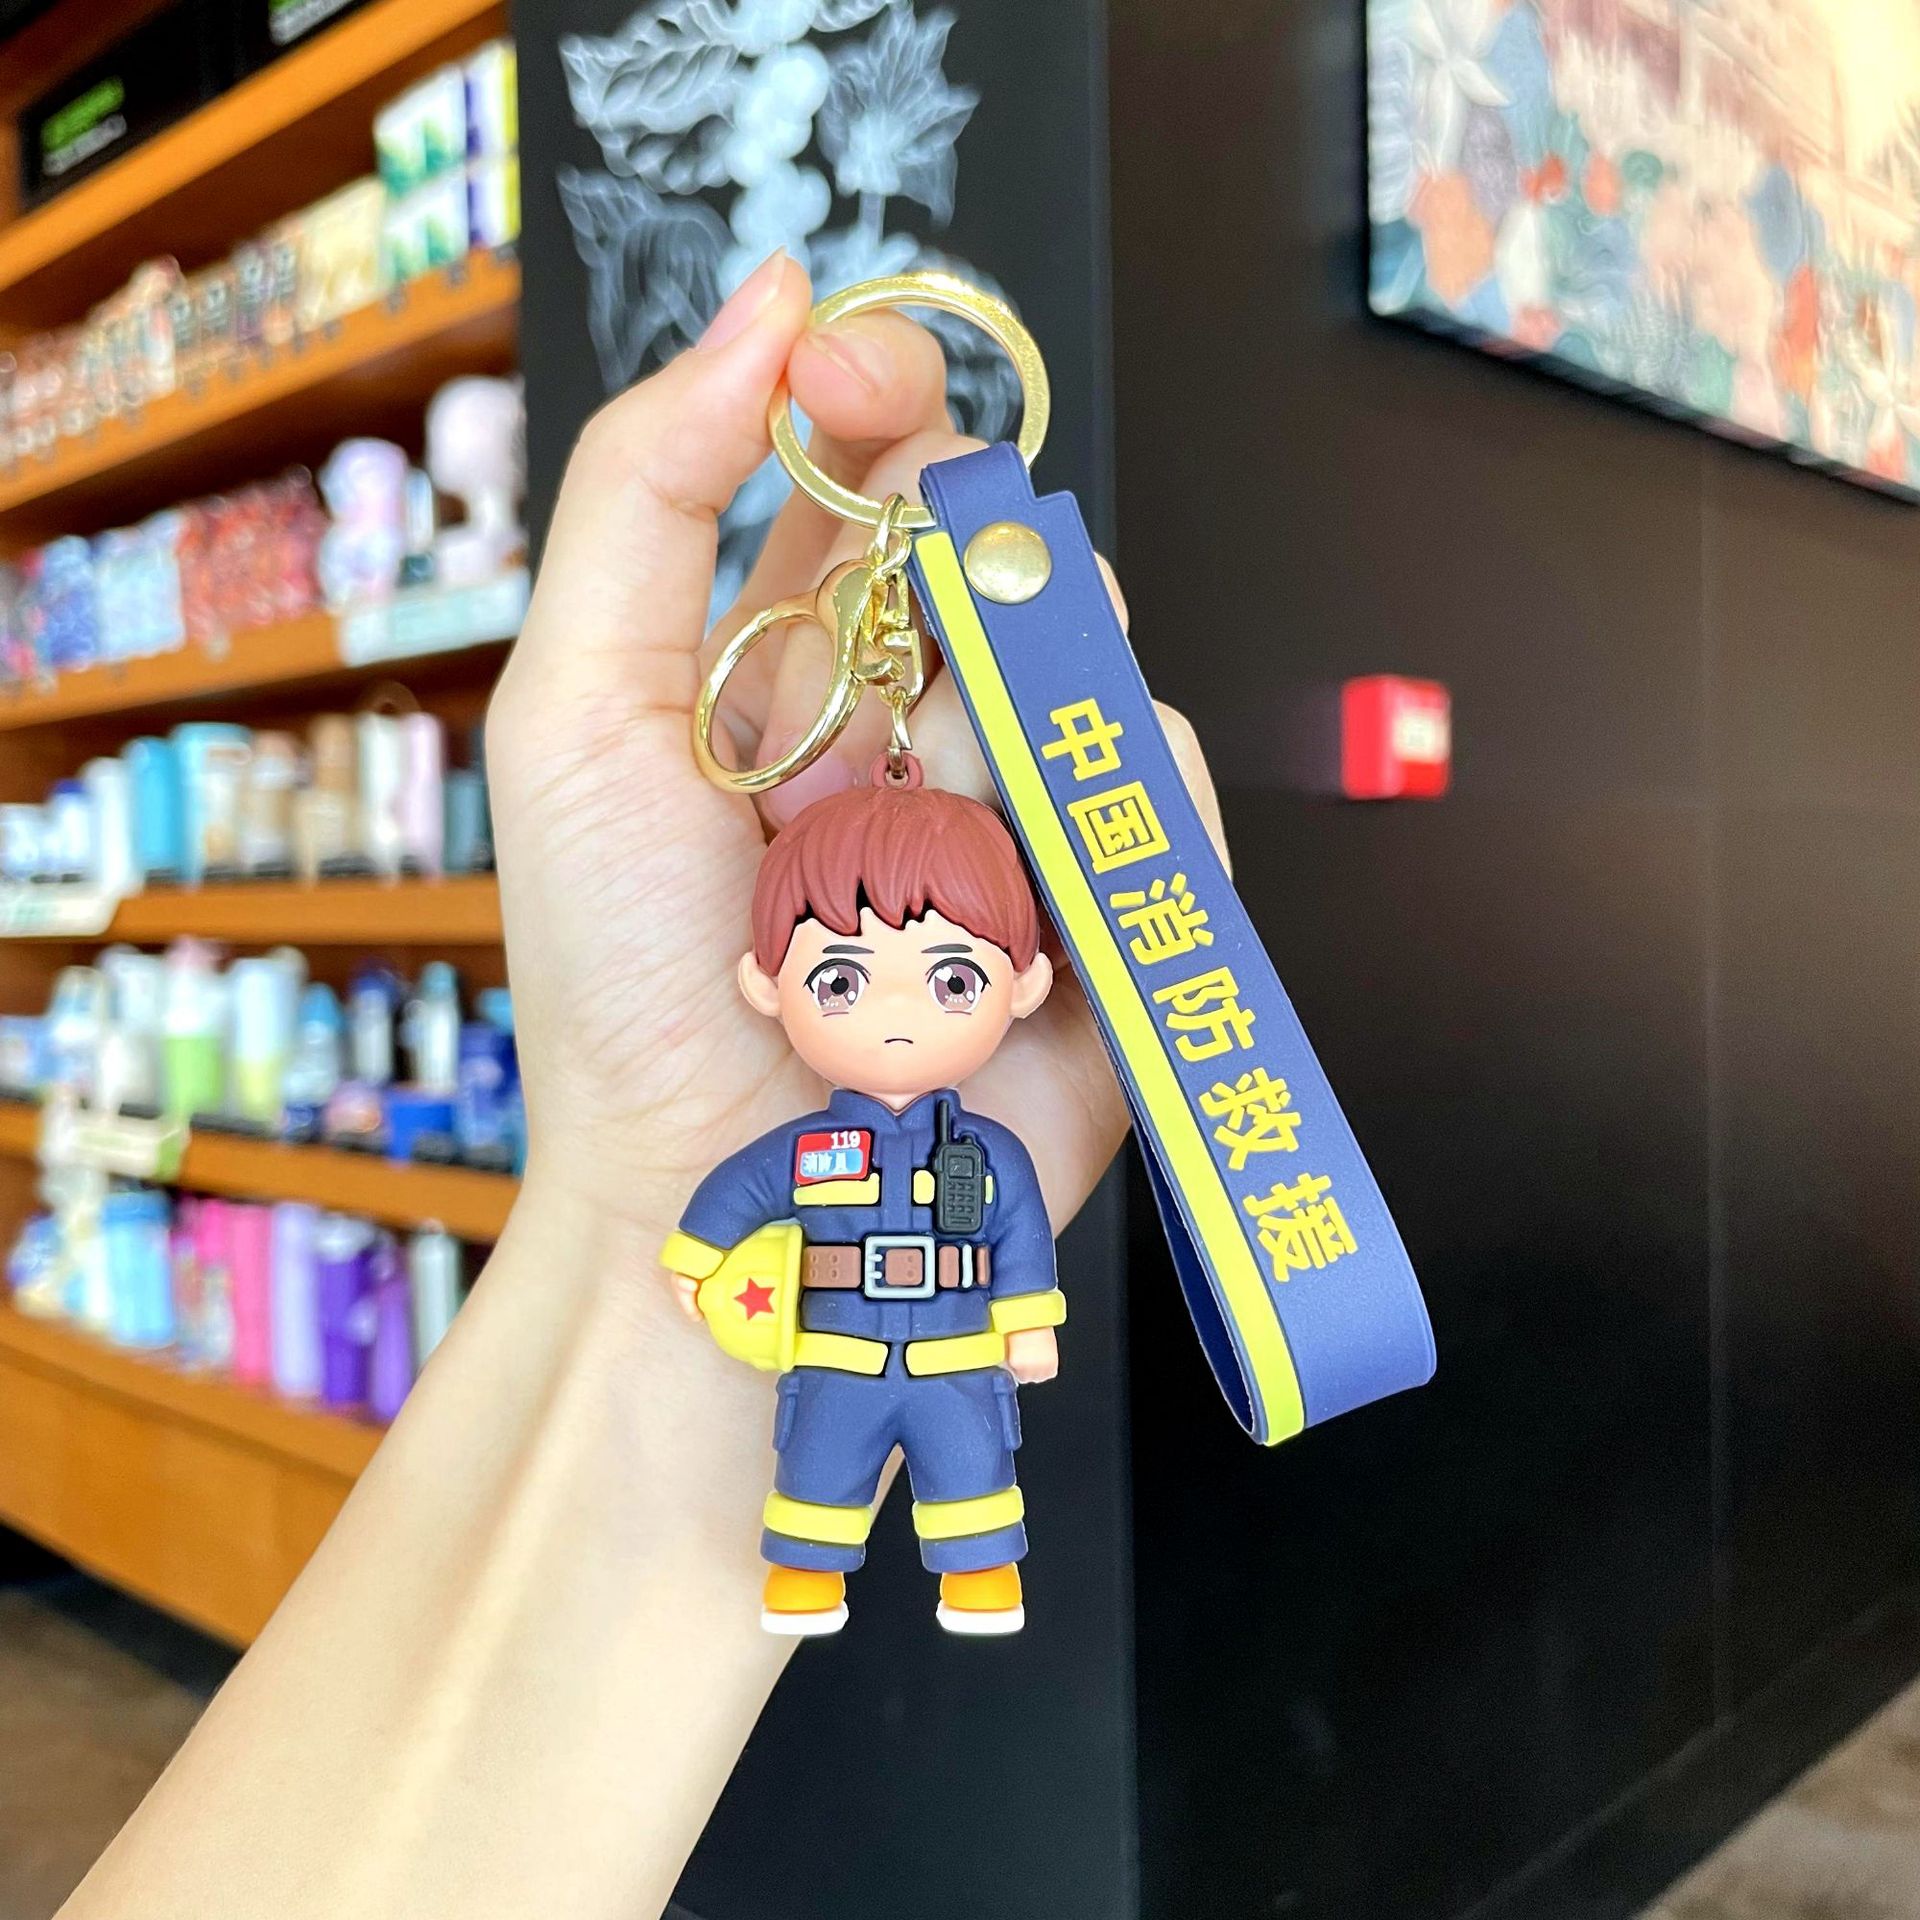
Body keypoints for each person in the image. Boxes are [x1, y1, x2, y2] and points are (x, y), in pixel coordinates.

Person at [58, 251, 1223, 1920]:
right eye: (844, 978)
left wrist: (1017, 1311)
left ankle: (975, 1564)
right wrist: (663, 1251)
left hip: (951, 1345)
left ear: (1026, 986)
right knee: (824, 1470)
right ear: (770, 986)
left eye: (955, 979)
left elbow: (1008, 1238)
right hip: (824, 1347)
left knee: (969, 1466)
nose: (899, 1013)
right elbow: (732, 1198)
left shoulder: (982, 1156)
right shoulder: (814, 1142)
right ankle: (823, 1555)